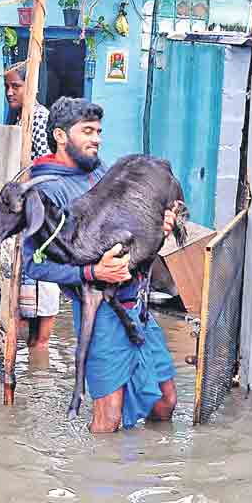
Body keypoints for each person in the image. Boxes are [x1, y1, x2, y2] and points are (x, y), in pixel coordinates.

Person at [22, 97, 178, 433]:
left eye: (99, 132)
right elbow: (33, 265)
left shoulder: (104, 174)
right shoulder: (46, 190)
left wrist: (159, 229)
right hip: (100, 313)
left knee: (165, 402)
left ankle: (141, 470)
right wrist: (92, 272)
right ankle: (96, 482)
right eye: (87, 131)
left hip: (136, 304)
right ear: (61, 136)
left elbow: (135, 238)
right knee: (108, 416)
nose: (96, 139)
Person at [2, 67, 58, 350]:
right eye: (7, 87)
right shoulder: (20, 119)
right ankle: (35, 373)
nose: (10, 92)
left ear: (31, 87)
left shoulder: (38, 118)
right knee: (26, 304)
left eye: (16, 86)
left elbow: (44, 166)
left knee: (40, 310)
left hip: (41, 218)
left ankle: (38, 368)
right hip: (30, 217)